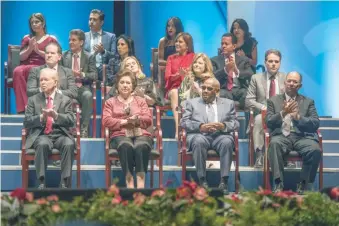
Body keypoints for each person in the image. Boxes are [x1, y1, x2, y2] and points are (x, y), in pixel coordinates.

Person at [180, 77, 239, 195]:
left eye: (209, 88)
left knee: (227, 142)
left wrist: (223, 125)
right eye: (203, 88)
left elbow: (235, 123)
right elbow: (184, 122)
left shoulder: (228, 104)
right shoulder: (191, 103)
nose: (205, 91)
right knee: (198, 141)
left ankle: (224, 181)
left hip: (220, 135)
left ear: (217, 91)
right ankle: (202, 180)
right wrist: (201, 126)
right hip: (200, 134)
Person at [266, 71, 321, 194]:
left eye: (295, 82)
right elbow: (269, 122)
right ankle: (278, 183)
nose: (291, 84)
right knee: (274, 144)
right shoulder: (273, 101)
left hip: (302, 136)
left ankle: (303, 183)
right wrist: (283, 113)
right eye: (289, 81)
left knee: (315, 150)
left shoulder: (308, 102)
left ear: (299, 85)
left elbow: (315, 123)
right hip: (281, 136)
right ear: (284, 83)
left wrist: (298, 117)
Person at [23, 68, 75, 189]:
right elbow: (26, 122)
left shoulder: (65, 100)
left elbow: (71, 120)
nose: (42, 83)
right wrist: (41, 117)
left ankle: (65, 182)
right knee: (42, 144)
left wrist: (56, 116)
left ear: (55, 82)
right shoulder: (33, 100)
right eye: (41, 80)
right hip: (42, 135)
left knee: (68, 143)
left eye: (46, 80)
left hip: (60, 135)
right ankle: (41, 182)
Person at [102, 70, 153, 189]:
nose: (125, 85)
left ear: (133, 86)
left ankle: (141, 185)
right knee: (126, 145)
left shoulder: (140, 101)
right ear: (117, 85)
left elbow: (148, 119)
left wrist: (136, 120)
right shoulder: (110, 102)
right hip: (120, 135)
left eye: (128, 83)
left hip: (141, 133)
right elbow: (106, 120)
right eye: (122, 82)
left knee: (141, 146)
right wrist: (123, 122)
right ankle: (129, 182)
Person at [245, 49, 286, 167]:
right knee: (258, 119)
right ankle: (260, 156)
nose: (273, 64)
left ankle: (287, 157)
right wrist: (263, 107)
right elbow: (248, 101)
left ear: (280, 63)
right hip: (263, 113)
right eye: (271, 61)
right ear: (265, 62)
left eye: (276, 61)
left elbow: (292, 98)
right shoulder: (256, 78)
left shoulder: (286, 77)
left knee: (288, 120)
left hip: (282, 114)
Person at [13, 13, 57, 113]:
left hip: (43, 66)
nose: (34, 24)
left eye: (36, 22)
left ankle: (35, 107)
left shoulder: (51, 39)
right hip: (26, 65)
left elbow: (54, 57)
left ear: (43, 23)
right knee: (17, 71)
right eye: (32, 22)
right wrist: (30, 49)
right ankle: (24, 108)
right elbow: (20, 57)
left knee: (34, 70)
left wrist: (38, 51)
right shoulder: (27, 38)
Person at [61, 29, 98, 137]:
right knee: (65, 96)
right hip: (68, 87)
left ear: (81, 42)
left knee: (88, 95)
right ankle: (70, 128)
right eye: (69, 40)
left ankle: (84, 129)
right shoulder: (64, 56)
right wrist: (69, 75)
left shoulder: (89, 56)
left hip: (82, 87)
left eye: (74, 40)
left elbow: (94, 75)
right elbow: (59, 73)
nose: (70, 42)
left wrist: (81, 74)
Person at [211, 33, 253, 109]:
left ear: (234, 46)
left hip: (238, 90)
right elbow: (212, 76)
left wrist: (237, 72)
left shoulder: (243, 60)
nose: (223, 46)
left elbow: (250, 73)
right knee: (221, 93)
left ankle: (240, 113)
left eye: (226, 44)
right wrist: (225, 70)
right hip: (223, 90)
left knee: (247, 93)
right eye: (222, 44)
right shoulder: (214, 60)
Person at [165, 32, 195, 138]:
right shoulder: (171, 58)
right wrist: (179, 75)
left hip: (189, 88)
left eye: (180, 42)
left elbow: (195, 75)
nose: (177, 43)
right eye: (176, 41)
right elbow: (167, 77)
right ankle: (178, 128)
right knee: (175, 93)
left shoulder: (193, 57)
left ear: (187, 45)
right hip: (174, 88)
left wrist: (185, 76)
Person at [84, 9, 116, 80]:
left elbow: (114, 56)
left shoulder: (111, 37)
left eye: (94, 20)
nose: (91, 22)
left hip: (104, 70)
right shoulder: (83, 36)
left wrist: (103, 51)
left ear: (101, 22)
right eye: (90, 19)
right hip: (88, 70)